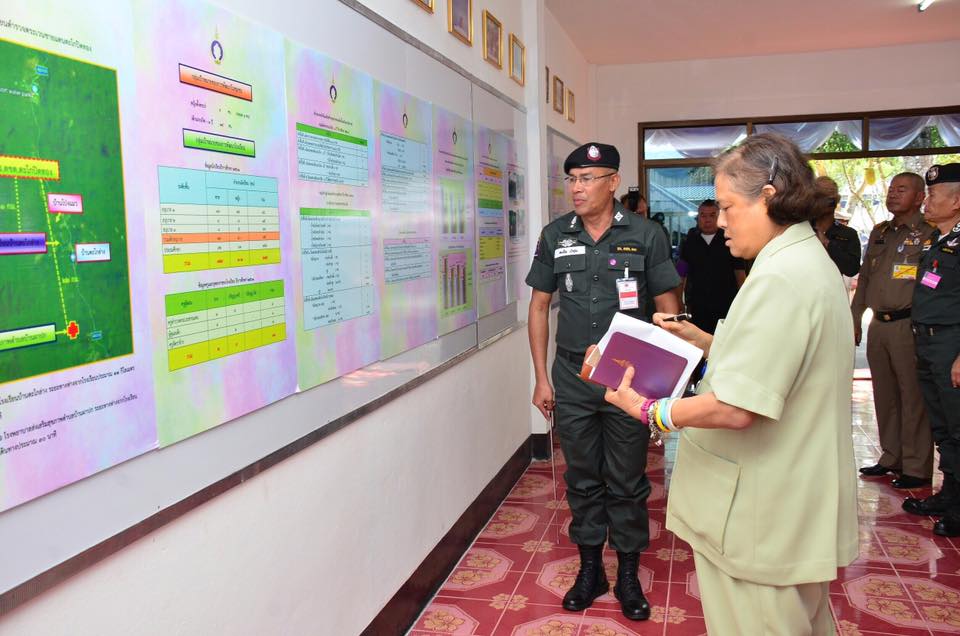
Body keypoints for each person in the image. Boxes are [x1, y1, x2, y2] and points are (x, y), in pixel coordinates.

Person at [603, 133, 857, 634]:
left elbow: (737, 407)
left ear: (767, 196)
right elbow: (778, 365)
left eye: (727, 207)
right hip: (793, 501)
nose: (719, 222)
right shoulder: (806, 260)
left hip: (761, 512)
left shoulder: (778, 277)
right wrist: (702, 340)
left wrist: (651, 410)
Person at [526, 142, 680, 620]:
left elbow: (668, 308)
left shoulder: (646, 234)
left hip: (626, 377)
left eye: (588, 178)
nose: (576, 187)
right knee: (582, 477)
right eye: (572, 178)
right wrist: (540, 379)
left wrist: (662, 379)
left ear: (613, 183)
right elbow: (538, 308)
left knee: (627, 478)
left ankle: (629, 573)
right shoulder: (556, 235)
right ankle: (590, 569)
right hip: (571, 376)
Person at [851, 172, 935, 490]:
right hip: (879, 324)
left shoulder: (929, 233)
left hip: (908, 324)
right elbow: (865, 279)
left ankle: (916, 466)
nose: (893, 194)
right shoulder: (880, 232)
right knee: (884, 394)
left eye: (902, 189)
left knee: (912, 397)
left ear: (919, 197)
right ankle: (891, 456)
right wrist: (855, 317)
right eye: (891, 189)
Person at [909, 163, 960, 536]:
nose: (927, 201)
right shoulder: (936, 240)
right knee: (943, 426)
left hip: (952, 344)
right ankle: (948, 492)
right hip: (928, 341)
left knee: (958, 427)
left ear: (956, 201)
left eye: (933, 196)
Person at [677, 199, 746, 334]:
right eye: (703, 215)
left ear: (719, 216)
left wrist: (743, 303)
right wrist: (679, 301)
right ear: (698, 217)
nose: (707, 220)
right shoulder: (689, 241)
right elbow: (681, 274)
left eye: (712, 215)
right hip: (697, 304)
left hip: (726, 304)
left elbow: (740, 275)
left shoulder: (730, 239)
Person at [812, 176, 861, 278]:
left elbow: (852, 269)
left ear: (836, 200)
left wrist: (827, 243)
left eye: (829, 198)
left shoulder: (848, 234)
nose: (824, 202)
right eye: (819, 196)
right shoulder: (802, 228)